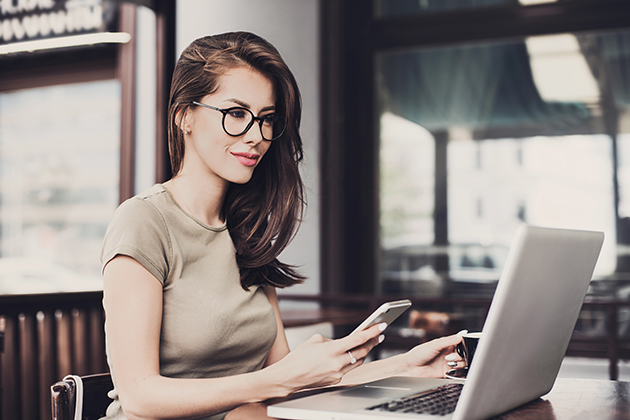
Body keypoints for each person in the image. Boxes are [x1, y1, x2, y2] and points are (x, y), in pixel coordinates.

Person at [101, 31, 464, 420]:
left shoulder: (247, 231)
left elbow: (289, 380)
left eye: (267, 119)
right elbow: (140, 396)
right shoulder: (144, 222)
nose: (257, 136)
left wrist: (405, 368)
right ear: (184, 115)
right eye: (236, 114)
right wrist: (274, 381)